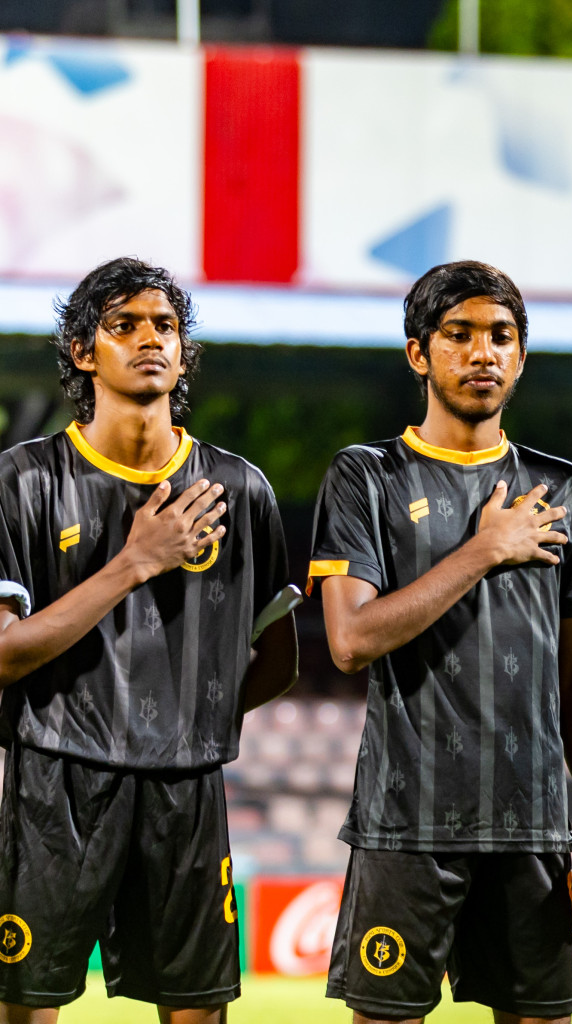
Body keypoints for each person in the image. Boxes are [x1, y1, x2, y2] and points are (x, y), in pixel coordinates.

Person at [309, 260, 572, 1023]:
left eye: (500, 336)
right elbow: (349, 641)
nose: (482, 353)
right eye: (459, 335)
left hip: (532, 832)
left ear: (521, 356)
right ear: (419, 353)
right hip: (404, 827)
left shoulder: (565, 491)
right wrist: (485, 550)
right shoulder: (366, 478)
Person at [0, 257, 297, 1022]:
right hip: (53, 788)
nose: (149, 339)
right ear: (80, 351)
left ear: (184, 350)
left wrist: (193, 726)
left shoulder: (240, 488)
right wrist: (135, 562)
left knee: (197, 1010)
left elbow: (281, 656)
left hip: (185, 788)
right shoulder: (23, 481)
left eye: (164, 325)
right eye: (122, 324)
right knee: (27, 1006)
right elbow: (4, 654)